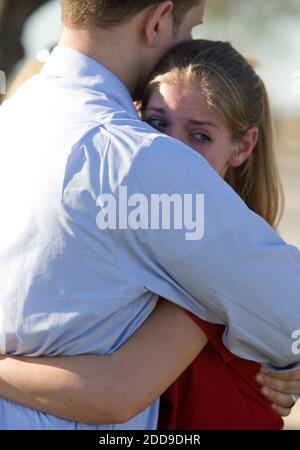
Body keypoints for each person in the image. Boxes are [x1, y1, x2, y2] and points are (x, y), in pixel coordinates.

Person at [0, 0, 300, 430]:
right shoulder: (137, 156)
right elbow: (289, 310)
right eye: (192, 28)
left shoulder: (12, 118)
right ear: (157, 20)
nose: (188, 47)